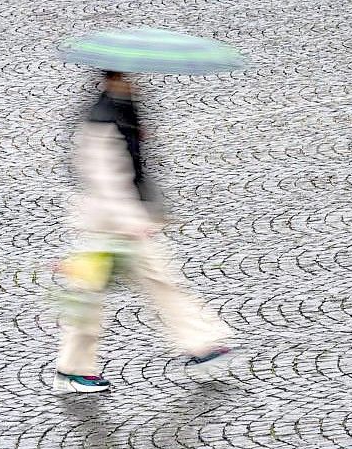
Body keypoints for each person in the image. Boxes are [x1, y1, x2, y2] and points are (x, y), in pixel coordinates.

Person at [53, 71, 233, 393]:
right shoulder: (102, 120)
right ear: (112, 78)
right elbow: (107, 181)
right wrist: (132, 221)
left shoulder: (123, 108)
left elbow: (133, 169)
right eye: (124, 76)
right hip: (107, 227)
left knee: (160, 281)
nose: (132, 82)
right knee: (89, 298)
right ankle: (72, 370)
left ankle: (201, 344)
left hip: (124, 225)